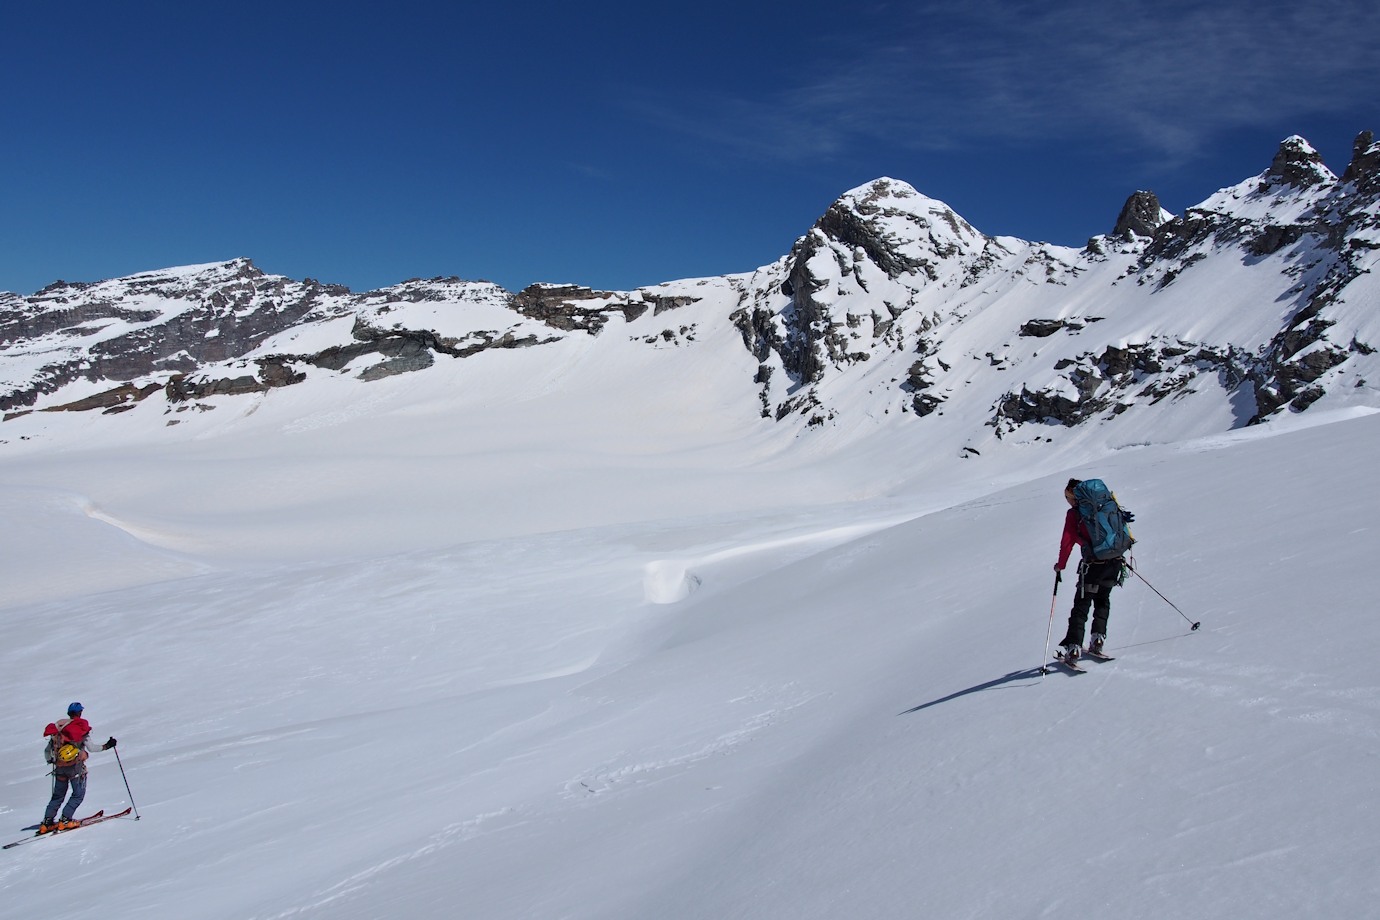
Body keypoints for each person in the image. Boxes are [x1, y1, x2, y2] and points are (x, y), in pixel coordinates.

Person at [1053, 479, 1125, 661]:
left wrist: (1061, 565)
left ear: (1073, 497)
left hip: (1093, 565)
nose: (1067, 501)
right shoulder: (1105, 507)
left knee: (1081, 606)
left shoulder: (1074, 514)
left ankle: (1074, 648)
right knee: (1102, 600)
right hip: (1114, 562)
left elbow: (1067, 542)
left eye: (1067, 497)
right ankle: (1098, 639)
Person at [39, 702, 116, 834]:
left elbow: (47, 751)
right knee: (78, 794)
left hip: (59, 768)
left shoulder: (59, 728)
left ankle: (47, 823)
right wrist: (107, 746)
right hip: (76, 768)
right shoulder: (80, 728)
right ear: (80, 713)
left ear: (69, 713)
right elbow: (91, 748)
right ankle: (65, 820)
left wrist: (51, 760)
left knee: (58, 796)